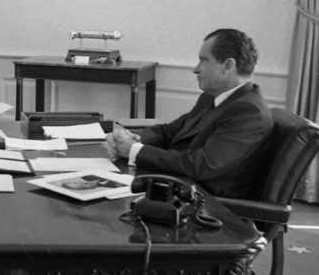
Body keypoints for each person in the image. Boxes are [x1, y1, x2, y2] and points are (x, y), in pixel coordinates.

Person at [107, 28, 273, 198]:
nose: (196, 69)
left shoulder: (249, 112)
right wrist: (131, 139)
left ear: (228, 66)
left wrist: (135, 151)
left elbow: (201, 165)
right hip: (176, 186)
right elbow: (168, 132)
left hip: (208, 206)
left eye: (204, 61)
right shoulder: (210, 98)